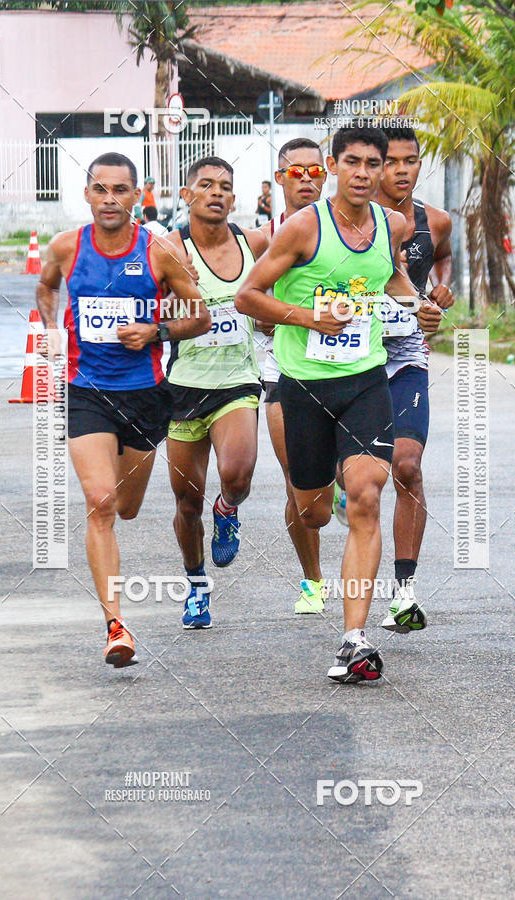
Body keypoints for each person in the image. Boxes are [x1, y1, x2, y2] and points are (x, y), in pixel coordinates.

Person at [236, 126, 442, 683]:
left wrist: (420, 307)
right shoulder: (304, 228)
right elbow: (247, 295)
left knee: (367, 497)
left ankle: (355, 639)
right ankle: (320, 497)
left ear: (379, 173)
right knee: (314, 511)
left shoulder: (391, 224)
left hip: (364, 379)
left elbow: (392, 276)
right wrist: (309, 318)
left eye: (372, 164)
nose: (362, 172)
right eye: (351, 161)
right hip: (303, 386)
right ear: (333, 166)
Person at [36, 152, 210, 668]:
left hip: (145, 395)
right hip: (86, 389)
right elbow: (46, 287)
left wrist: (157, 330)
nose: (109, 200)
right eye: (99, 189)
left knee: (127, 506)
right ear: (86, 194)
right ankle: (116, 624)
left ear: (138, 196)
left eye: (120, 190)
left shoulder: (158, 252)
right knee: (100, 501)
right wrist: (50, 330)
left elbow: (198, 313)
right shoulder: (67, 247)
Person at [336, 126, 454, 635]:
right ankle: (343, 487)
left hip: (406, 355)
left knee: (406, 464)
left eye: (411, 160)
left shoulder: (437, 221)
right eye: (392, 162)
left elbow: (441, 262)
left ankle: (403, 591)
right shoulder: (345, 220)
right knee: (355, 484)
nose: (401, 171)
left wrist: (440, 292)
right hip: (352, 358)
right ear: (373, 165)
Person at [164, 156, 268, 629]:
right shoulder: (165, 249)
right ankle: (197, 586)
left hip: (237, 383)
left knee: (238, 474)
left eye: (225, 186)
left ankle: (227, 510)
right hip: (184, 387)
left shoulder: (255, 243)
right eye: (205, 185)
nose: (217, 192)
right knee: (187, 503)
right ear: (187, 195)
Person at [257, 137, 328, 614]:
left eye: (315, 171)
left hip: (344, 368)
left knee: (353, 474)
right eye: (294, 172)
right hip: (279, 369)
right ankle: (313, 581)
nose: (306, 179)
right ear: (278, 180)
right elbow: (245, 298)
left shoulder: (354, 232)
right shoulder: (262, 238)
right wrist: (286, 315)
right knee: (295, 479)